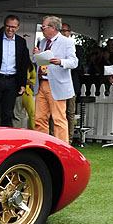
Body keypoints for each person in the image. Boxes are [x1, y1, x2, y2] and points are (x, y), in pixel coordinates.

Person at [32, 16, 79, 144]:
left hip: (57, 84)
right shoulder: (42, 42)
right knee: (39, 118)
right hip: (41, 83)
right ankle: (42, 146)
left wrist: (61, 62)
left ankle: (62, 148)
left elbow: (74, 62)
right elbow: (37, 62)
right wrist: (36, 55)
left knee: (59, 119)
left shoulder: (67, 42)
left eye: (44, 27)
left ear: (53, 28)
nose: (42, 29)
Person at [60, 23, 84, 141]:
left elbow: (78, 66)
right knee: (57, 112)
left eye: (66, 31)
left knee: (70, 111)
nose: (63, 33)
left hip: (71, 83)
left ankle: (69, 139)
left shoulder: (77, 48)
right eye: (61, 30)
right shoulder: (55, 46)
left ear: (70, 33)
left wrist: (62, 63)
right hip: (58, 83)